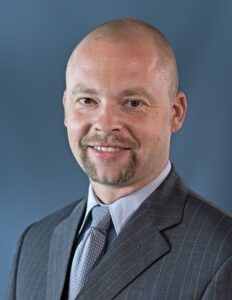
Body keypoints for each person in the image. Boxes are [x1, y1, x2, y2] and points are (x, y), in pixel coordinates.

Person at [7, 18, 232, 300]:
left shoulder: (222, 254)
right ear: (66, 108)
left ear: (176, 112)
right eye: (87, 101)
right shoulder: (34, 243)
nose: (105, 124)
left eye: (133, 103)